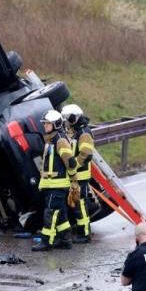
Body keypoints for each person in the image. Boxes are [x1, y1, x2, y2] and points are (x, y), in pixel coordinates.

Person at [32, 110, 75, 251]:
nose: (45, 126)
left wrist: (74, 180)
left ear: (56, 124)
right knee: (61, 214)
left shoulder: (60, 140)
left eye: (48, 123)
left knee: (50, 213)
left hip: (57, 185)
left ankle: (47, 242)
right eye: (44, 123)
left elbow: (70, 162)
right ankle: (65, 240)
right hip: (52, 185)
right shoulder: (52, 139)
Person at [61, 104, 94, 244]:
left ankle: (85, 234)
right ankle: (81, 231)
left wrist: (73, 166)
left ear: (74, 118)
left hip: (80, 176)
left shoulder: (84, 133)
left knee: (80, 205)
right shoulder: (73, 131)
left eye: (67, 119)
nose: (65, 122)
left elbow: (86, 154)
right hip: (74, 175)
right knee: (76, 204)